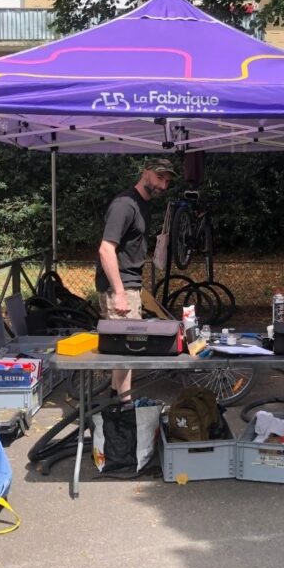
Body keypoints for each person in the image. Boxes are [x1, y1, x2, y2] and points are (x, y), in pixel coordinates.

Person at [95, 158, 177, 396]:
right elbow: (106, 249)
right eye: (160, 178)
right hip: (120, 288)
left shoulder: (143, 204)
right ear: (145, 173)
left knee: (125, 354)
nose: (163, 185)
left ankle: (117, 404)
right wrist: (120, 293)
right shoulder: (125, 205)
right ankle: (123, 409)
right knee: (126, 351)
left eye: (167, 181)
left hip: (130, 284)